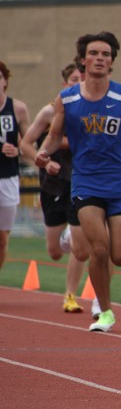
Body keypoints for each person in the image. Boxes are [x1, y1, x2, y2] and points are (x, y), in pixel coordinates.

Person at [35, 33, 121, 332]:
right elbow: (54, 136)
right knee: (99, 250)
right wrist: (44, 153)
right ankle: (105, 310)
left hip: (120, 184)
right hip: (86, 183)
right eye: (94, 53)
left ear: (112, 61)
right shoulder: (67, 99)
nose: (100, 58)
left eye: (106, 54)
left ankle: (101, 294)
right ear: (83, 59)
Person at [19, 61, 89, 312]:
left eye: (82, 79)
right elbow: (25, 144)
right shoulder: (50, 111)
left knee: (80, 248)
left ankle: (70, 295)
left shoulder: (92, 111)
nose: (79, 84)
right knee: (55, 252)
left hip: (80, 182)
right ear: (65, 84)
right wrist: (44, 161)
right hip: (53, 185)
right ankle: (66, 237)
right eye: (74, 80)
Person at [0, 60, 31, 274]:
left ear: (5, 81)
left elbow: (30, 144)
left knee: (2, 238)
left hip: (8, 178)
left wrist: (18, 151)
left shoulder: (17, 108)